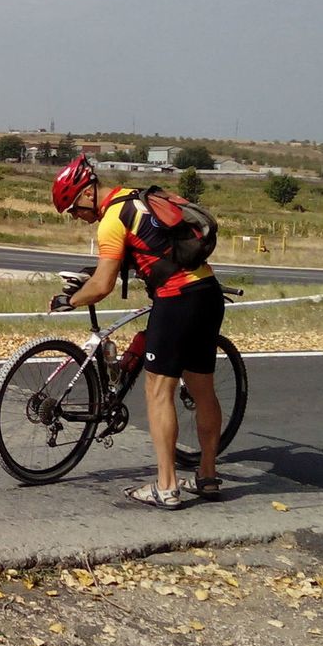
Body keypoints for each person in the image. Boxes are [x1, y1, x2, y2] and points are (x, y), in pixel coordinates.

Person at [49, 154, 224, 509]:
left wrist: (71, 300)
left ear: (87, 193)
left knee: (159, 392)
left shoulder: (112, 220)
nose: (76, 217)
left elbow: (102, 286)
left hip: (176, 301)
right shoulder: (136, 198)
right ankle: (207, 476)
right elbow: (149, 248)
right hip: (207, 293)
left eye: (73, 209)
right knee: (203, 391)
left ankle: (166, 486)